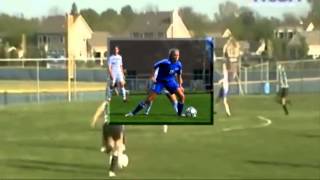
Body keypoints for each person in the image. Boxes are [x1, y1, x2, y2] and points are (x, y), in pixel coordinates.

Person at [125, 48, 185, 117]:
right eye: (175, 55)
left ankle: (179, 114)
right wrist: (153, 76)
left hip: (171, 81)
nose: (177, 57)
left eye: (178, 55)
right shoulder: (165, 62)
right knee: (148, 99)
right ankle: (132, 113)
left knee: (182, 96)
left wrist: (180, 85)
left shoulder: (179, 64)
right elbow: (155, 66)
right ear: (170, 55)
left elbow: (179, 75)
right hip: (160, 82)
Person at [91, 100, 126, 177]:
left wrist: (94, 120)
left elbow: (99, 110)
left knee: (111, 145)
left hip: (107, 126)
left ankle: (108, 149)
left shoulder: (106, 102)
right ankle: (112, 171)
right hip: (117, 126)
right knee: (117, 148)